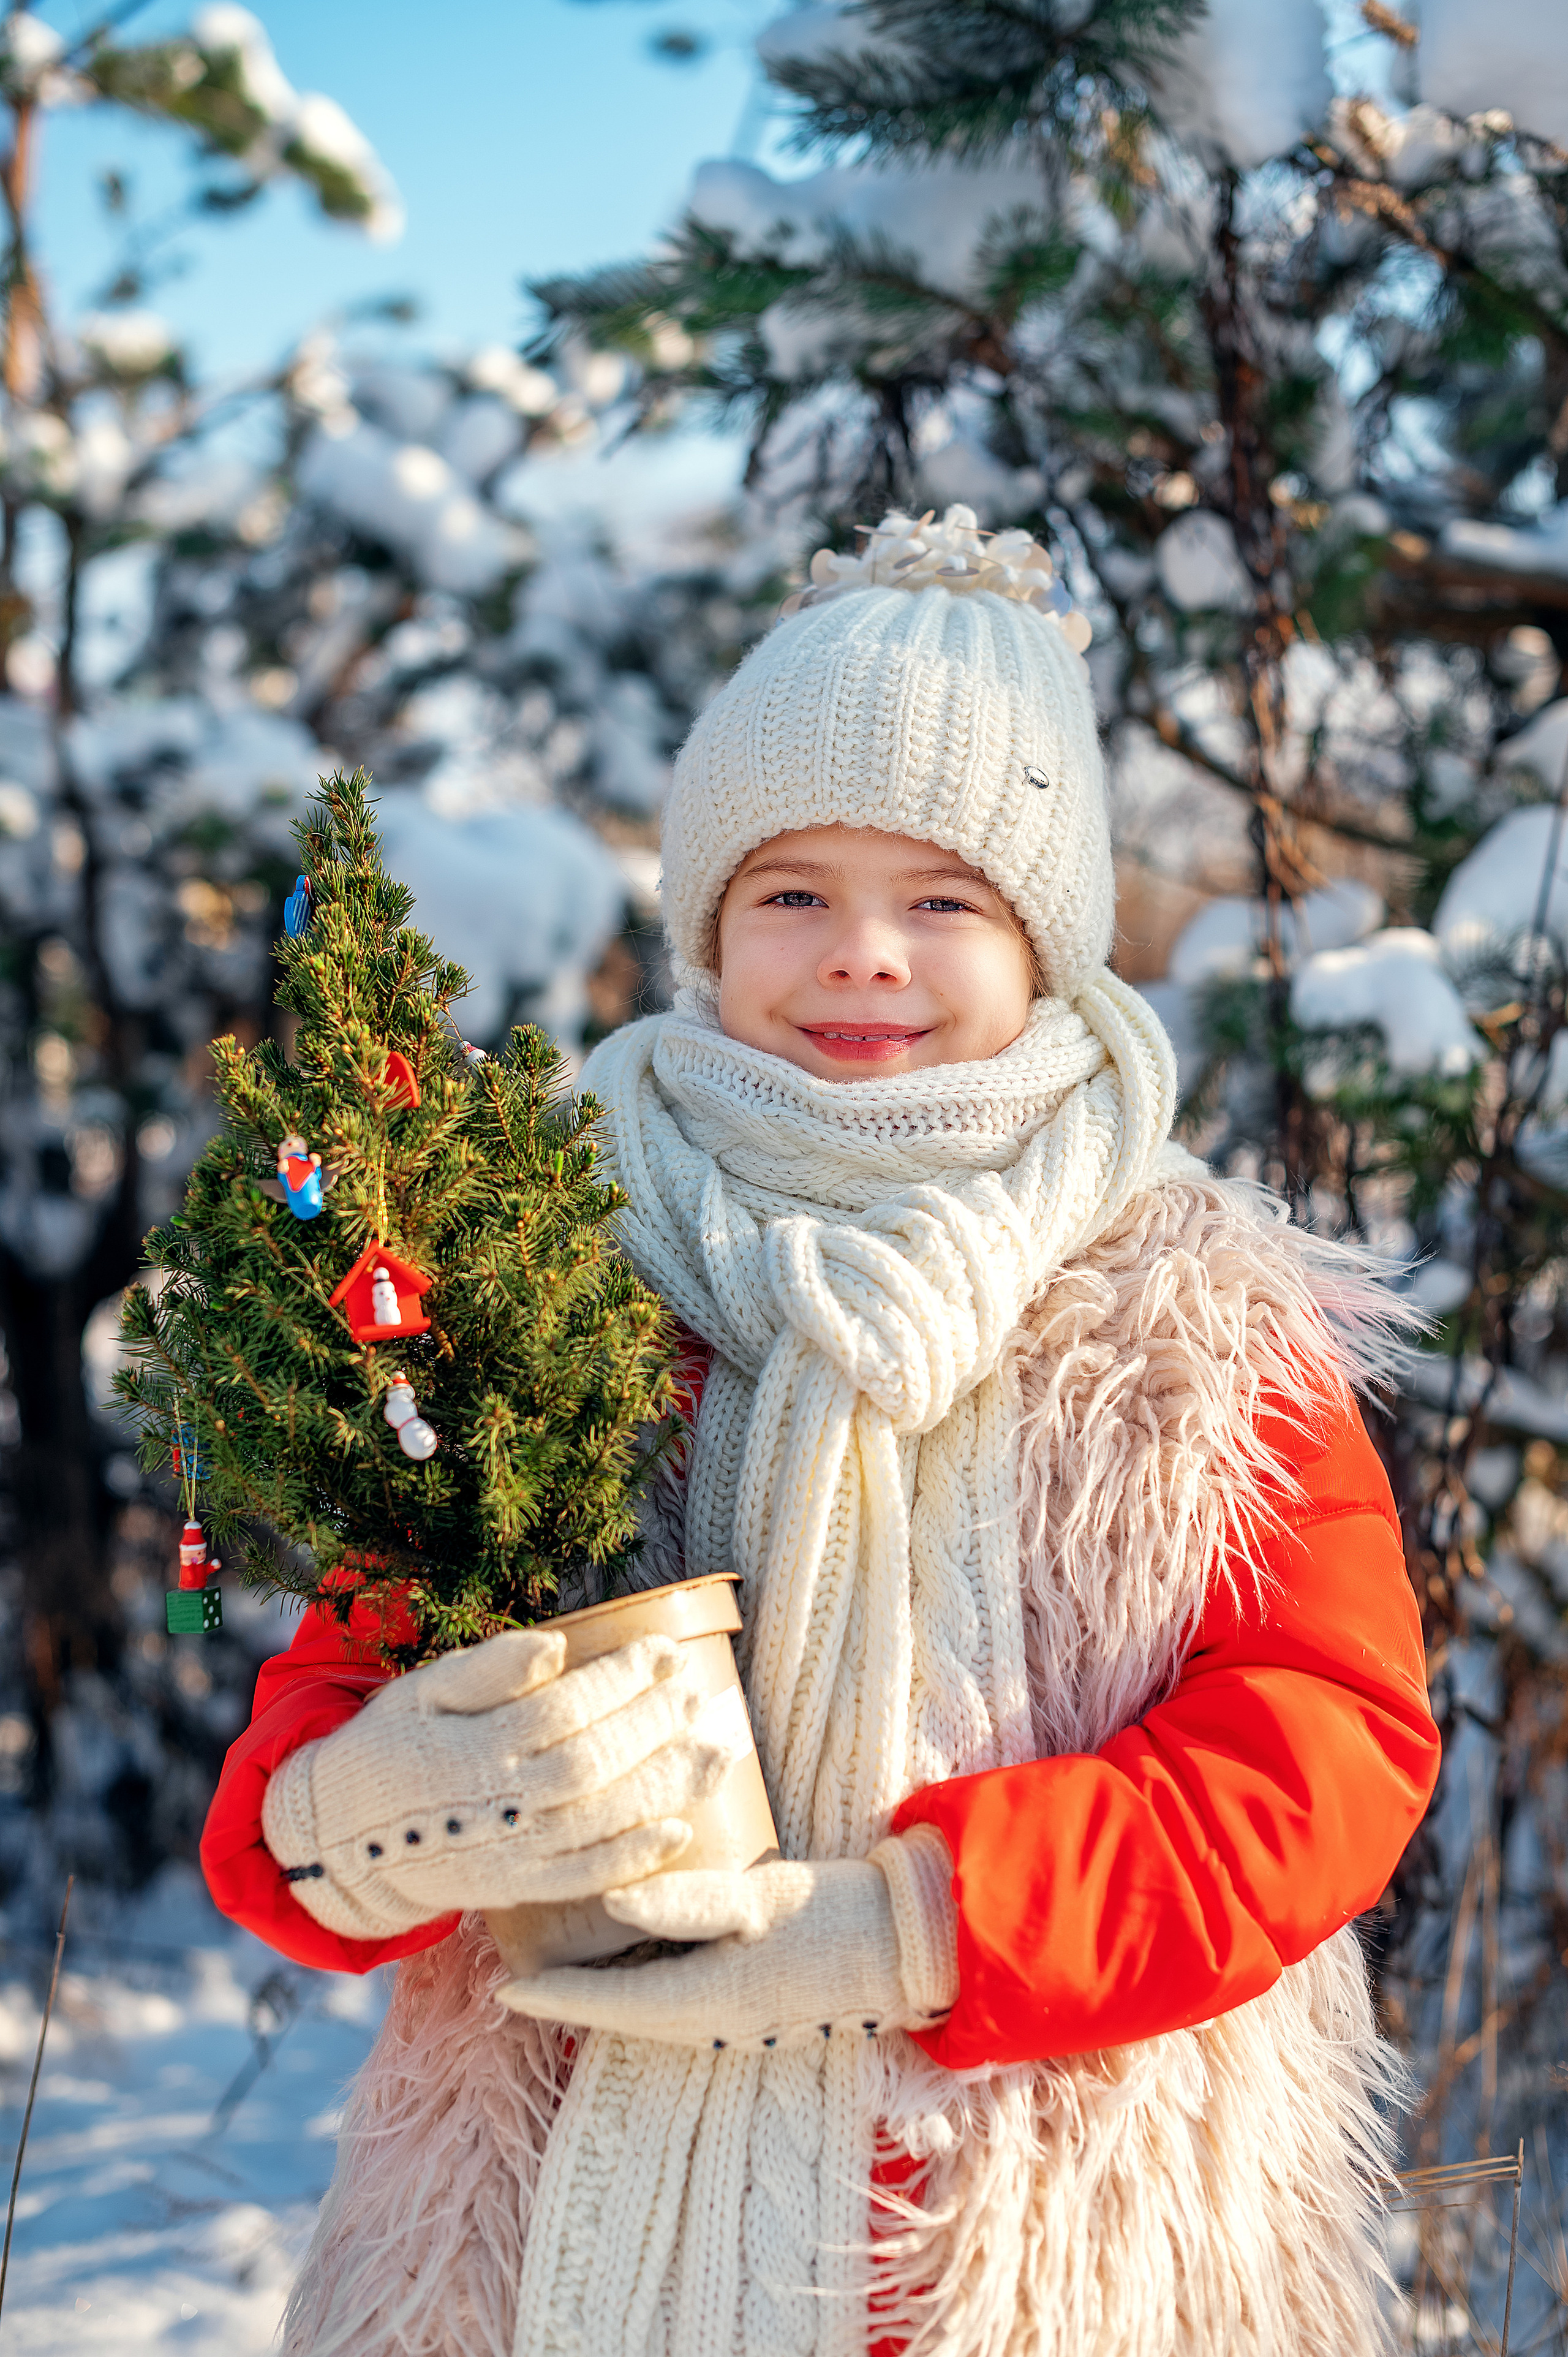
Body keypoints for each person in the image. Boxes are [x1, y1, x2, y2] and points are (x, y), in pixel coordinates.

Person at [201, 507, 1439, 2357]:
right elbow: (356, 1674)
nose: (865, 954)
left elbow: (1324, 1749)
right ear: (708, 930)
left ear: (1049, 945)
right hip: (562, 2236)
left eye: (943, 899)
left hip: (1029, 2226)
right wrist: (346, 1812)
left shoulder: (1189, 1324)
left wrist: (915, 1928)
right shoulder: (560, 1274)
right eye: (794, 893)